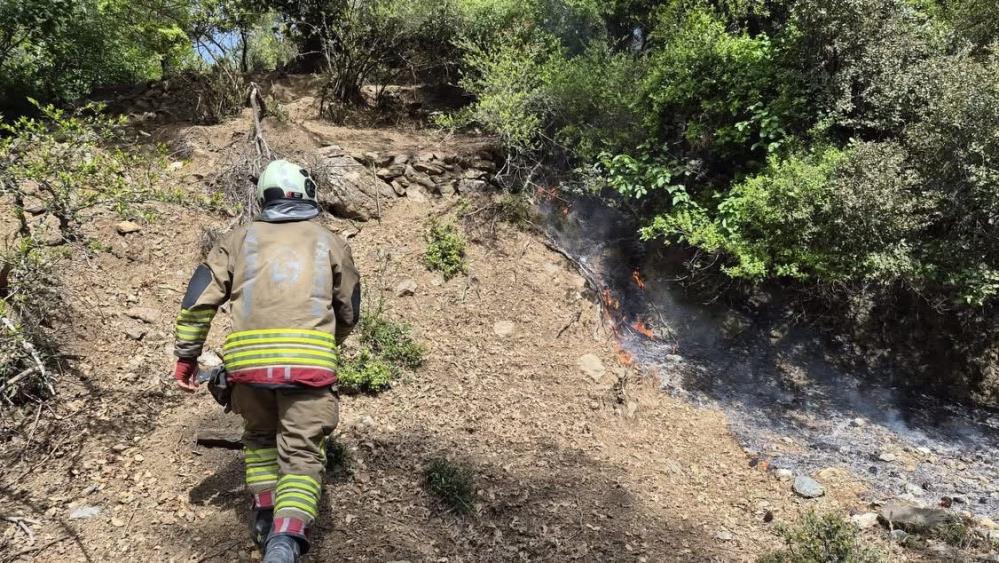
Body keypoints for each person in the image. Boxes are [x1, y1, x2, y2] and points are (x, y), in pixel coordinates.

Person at [171, 159, 361, 563]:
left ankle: (265, 514)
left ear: (265, 197)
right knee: (301, 454)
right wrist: (324, 346)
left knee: (259, 437)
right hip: (310, 371)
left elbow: (197, 301)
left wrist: (187, 357)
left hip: (248, 371)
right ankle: (285, 541)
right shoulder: (330, 242)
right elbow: (349, 311)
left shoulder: (236, 240)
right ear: (308, 193)